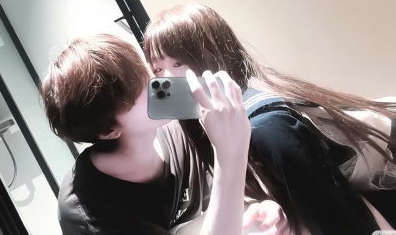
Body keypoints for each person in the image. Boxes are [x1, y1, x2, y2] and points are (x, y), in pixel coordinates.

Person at [143, 2, 396, 235]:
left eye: (178, 63)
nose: (168, 78)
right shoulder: (219, 120)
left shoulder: (267, 127)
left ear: (211, 53)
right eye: (157, 69)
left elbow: (345, 221)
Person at [40, 34, 254, 235]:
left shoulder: (180, 126)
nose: (157, 86)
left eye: (144, 73)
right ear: (108, 131)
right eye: (136, 92)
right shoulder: (91, 211)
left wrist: (255, 207)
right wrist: (229, 152)